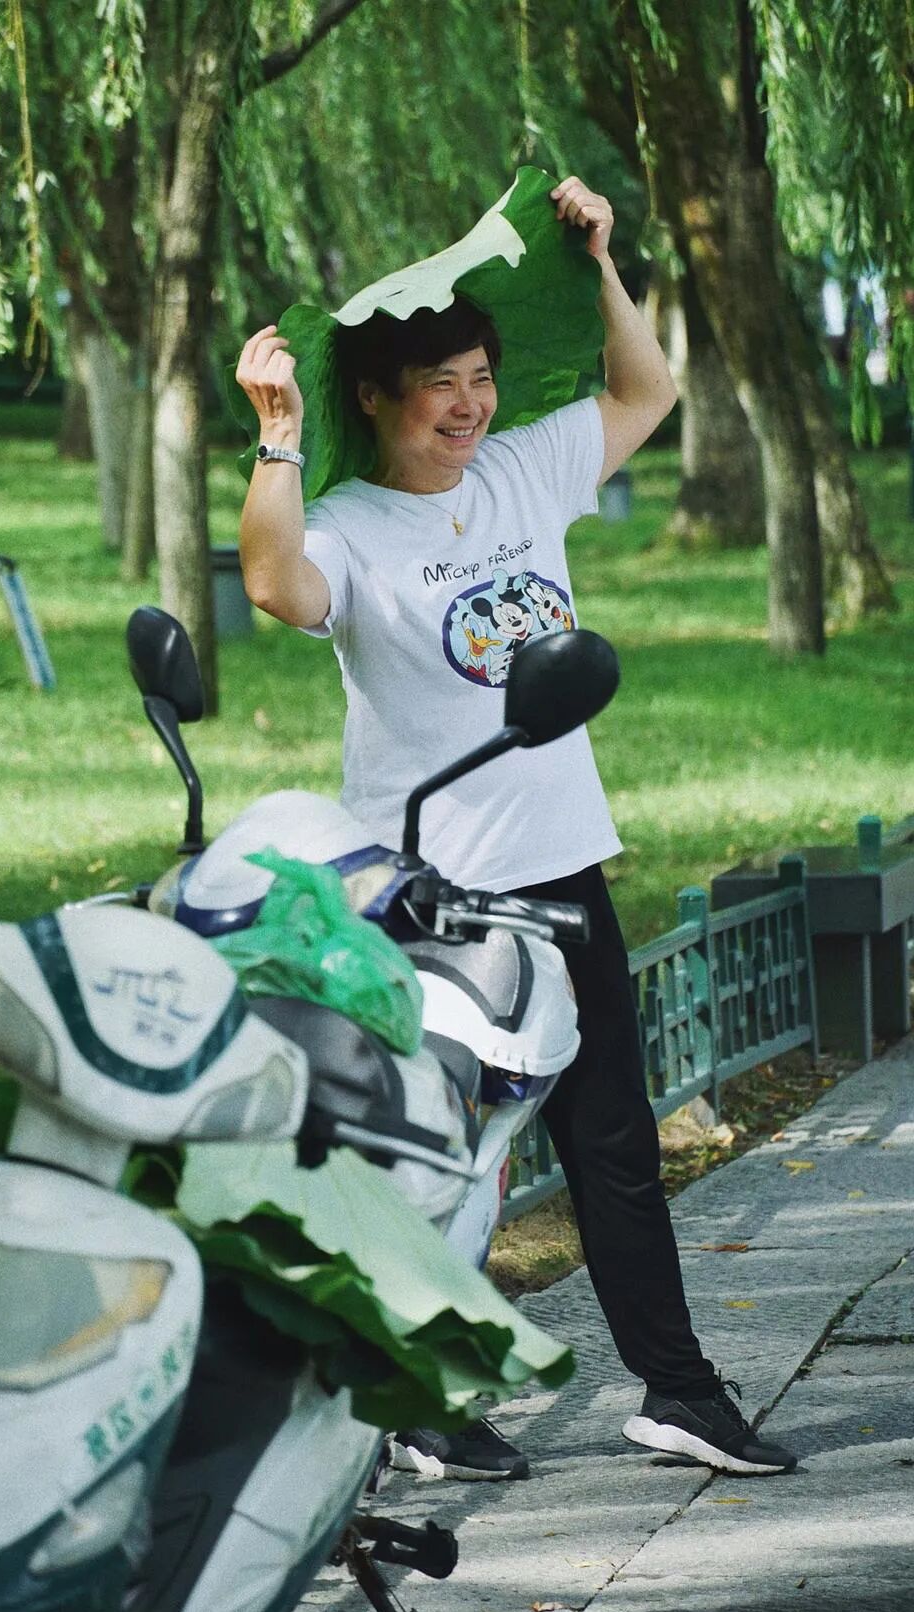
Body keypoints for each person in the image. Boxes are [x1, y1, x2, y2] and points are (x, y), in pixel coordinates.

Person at [234, 176, 796, 1482]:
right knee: (450, 1161)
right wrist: (277, 437)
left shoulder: (525, 469)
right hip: (437, 896)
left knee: (613, 1142)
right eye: (439, 382)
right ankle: (415, 1398)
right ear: (375, 395)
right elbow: (272, 583)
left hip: (563, 875)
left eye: (481, 376)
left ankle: (678, 1392)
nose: (469, 404)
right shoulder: (350, 528)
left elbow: (647, 391)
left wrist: (600, 263)